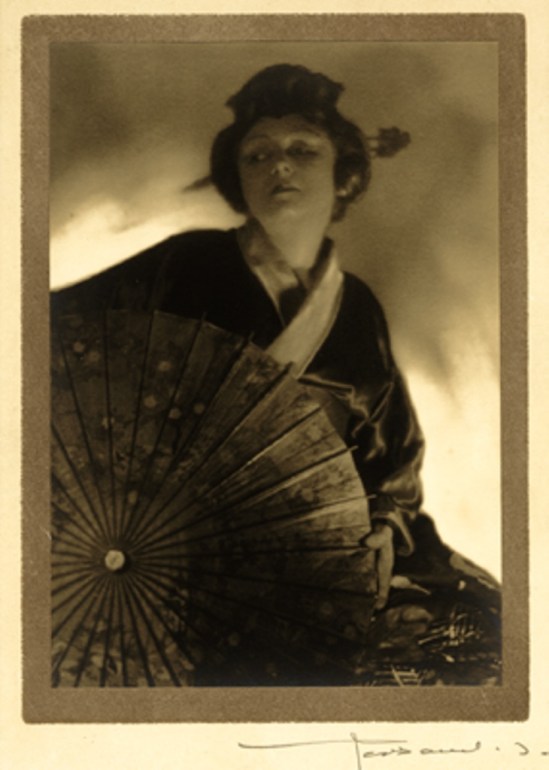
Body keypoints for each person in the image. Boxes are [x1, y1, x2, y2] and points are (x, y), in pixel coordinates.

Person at [51, 64, 500, 686]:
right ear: (237, 177)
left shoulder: (358, 306)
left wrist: (382, 530)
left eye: (301, 151)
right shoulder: (187, 263)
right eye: (256, 155)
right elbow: (50, 334)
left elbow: (394, 455)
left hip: (317, 538)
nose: (278, 166)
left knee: (480, 633)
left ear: (343, 174)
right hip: (173, 533)